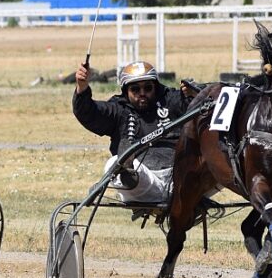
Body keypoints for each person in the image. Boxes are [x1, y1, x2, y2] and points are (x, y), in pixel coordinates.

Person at [72, 60, 195, 203]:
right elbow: (89, 113)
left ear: (155, 87)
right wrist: (82, 88)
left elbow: (202, 107)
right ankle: (126, 174)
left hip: (181, 179)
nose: (142, 93)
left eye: (148, 88)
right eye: (135, 89)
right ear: (126, 90)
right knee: (114, 163)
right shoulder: (118, 110)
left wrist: (192, 94)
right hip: (145, 184)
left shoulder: (172, 100)